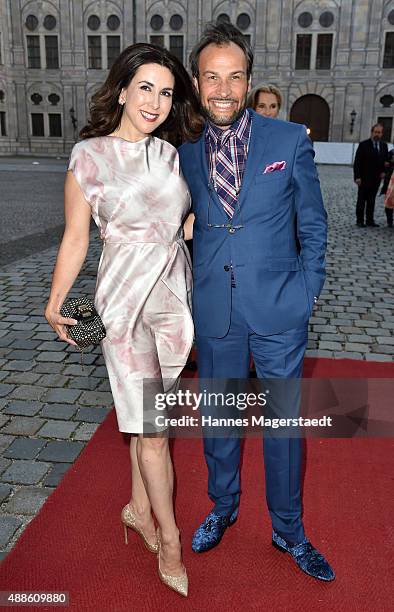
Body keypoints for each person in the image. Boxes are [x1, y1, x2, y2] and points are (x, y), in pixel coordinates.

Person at [178, 22, 335, 582]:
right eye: (212, 77)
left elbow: (314, 226)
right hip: (217, 309)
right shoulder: (184, 152)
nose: (223, 89)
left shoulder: (288, 140)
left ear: (249, 81)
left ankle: (288, 529)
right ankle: (222, 507)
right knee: (219, 419)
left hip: (279, 309)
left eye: (234, 77)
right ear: (198, 84)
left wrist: (307, 292)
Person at [45, 43, 202, 598]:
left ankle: (137, 507)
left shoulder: (176, 154)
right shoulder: (89, 156)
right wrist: (55, 298)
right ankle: (171, 539)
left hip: (173, 297)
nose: (156, 102)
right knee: (155, 431)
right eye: (145, 88)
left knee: (142, 417)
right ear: (122, 88)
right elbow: (75, 237)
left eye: (166, 91)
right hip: (124, 300)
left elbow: (185, 218)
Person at [353, 124, 389, 227]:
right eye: (375, 132)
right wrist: (357, 177)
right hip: (363, 178)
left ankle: (370, 220)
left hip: (376, 179)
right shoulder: (363, 145)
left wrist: (384, 171)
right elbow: (357, 162)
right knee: (361, 200)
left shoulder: (384, 146)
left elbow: (385, 161)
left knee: (371, 200)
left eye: (379, 132)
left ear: (382, 134)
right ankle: (360, 220)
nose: (377, 134)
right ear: (372, 132)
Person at [380, 146, 394, 227]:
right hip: (390, 181)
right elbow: (385, 164)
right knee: (389, 200)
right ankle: (389, 220)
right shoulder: (391, 152)